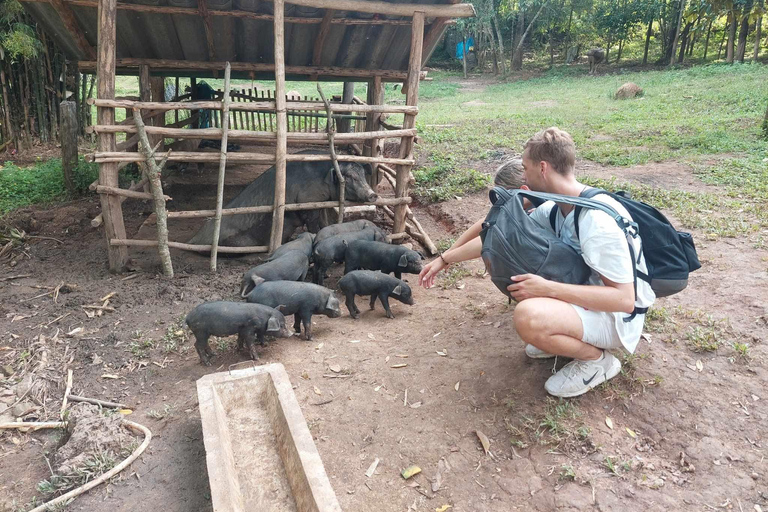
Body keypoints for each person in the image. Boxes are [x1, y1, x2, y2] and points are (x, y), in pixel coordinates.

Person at [419, 127, 655, 398]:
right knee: (522, 268)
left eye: (525, 167)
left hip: (617, 318)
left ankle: (597, 361)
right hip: (587, 295)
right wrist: (444, 260)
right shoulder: (556, 207)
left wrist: (546, 289)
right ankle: (561, 333)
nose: (524, 175)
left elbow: (624, 300)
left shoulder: (595, 222)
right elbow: (497, 237)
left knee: (529, 316)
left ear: (542, 168)